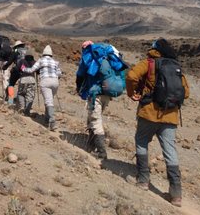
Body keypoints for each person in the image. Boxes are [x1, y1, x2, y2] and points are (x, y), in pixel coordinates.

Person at [126, 38, 190, 207]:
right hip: (170, 116)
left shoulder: (149, 62)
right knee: (170, 150)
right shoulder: (176, 66)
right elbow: (186, 92)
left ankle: (143, 181)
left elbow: (132, 75)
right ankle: (176, 194)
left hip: (149, 113)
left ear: (154, 49)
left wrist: (132, 93)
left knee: (141, 142)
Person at [75, 40, 128, 159]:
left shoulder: (90, 56)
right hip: (107, 94)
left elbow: (80, 74)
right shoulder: (108, 57)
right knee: (93, 118)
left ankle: (101, 151)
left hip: (95, 94)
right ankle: (90, 145)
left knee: (95, 120)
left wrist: (79, 88)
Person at [21, 45, 61, 131]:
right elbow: (59, 74)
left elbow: (32, 70)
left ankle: (52, 121)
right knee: (50, 100)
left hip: (45, 81)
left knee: (48, 101)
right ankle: (47, 119)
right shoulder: (55, 62)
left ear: (43, 54)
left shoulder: (41, 60)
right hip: (55, 82)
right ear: (51, 54)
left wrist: (24, 69)